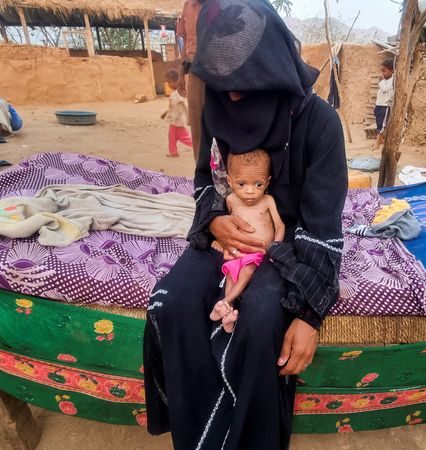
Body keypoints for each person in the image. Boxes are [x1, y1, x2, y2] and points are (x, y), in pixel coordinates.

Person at [143, 1, 347, 448]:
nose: (232, 100)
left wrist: (310, 314)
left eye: (244, 88)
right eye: (223, 88)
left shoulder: (320, 124)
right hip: (230, 232)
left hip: (288, 245)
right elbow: (205, 183)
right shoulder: (219, 111)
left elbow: (324, 226)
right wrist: (215, 219)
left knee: (258, 323)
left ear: (273, 71)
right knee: (170, 304)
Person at [209, 149, 285, 332]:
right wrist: (219, 240)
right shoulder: (230, 200)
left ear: (267, 183)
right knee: (230, 275)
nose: (250, 191)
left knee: (246, 272)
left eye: (258, 184)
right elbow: (225, 225)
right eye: (241, 184)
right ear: (229, 181)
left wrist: (275, 248)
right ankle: (228, 315)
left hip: (258, 252)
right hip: (237, 251)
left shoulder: (268, 200)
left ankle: (225, 302)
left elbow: (280, 225)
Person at [176, 0, 203, 161]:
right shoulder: (188, 5)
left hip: (222, 72)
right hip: (195, 74)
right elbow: (185, 41)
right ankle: (202, 179)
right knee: (198, 131)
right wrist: (181, 71)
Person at [160, 68, 192, 158]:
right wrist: (165, 113)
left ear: (176, 81)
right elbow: (173, 107)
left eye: (169, 82)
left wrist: (189, 117)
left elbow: (185, 105)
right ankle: (173, 152)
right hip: (176, 121)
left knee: (181, 138)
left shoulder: (178, 94)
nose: (168, 84)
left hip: (177, 121)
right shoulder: (176, 93)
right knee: (173, 137)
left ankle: (199, 147)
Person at [373, 58, 395, 148]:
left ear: (391, 71)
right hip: (379, 105)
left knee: (382, 125)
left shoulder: (392, 80)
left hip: (385, 106)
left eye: (384, 71)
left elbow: (385, 89)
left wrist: (381, 81)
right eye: (382, 71)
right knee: (379, 122)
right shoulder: (385, 80)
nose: (382, 73)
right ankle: (381, 140)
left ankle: (377, 143)